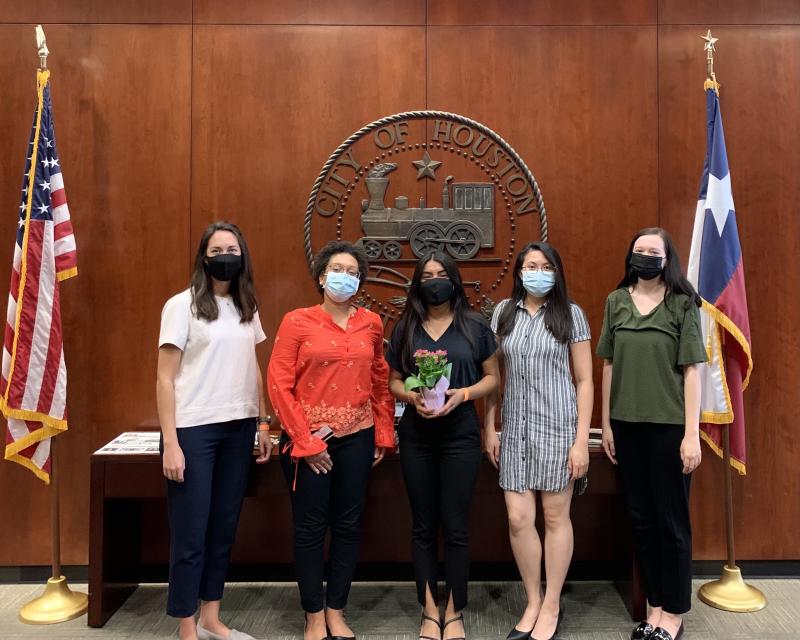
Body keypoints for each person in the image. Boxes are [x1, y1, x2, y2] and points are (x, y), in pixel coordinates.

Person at [267, 240, 395, 640]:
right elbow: (278, 383)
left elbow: (379, 379)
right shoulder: (297, 321)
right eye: (337, 269)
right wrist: (306, 442)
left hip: (357, 438)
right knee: (309, 528)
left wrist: (383, 432)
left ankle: (336, 609)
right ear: (322, 276)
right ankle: (313, 614)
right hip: (308, 444)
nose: (345, 277)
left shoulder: (371, 323)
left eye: (353, 272)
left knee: (348, 526)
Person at [157, 221, 272, 640]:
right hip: (193, 431)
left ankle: (211, 617)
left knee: (224, 527)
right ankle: (187, 627)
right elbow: (164, 379)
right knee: (191, 533)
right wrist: (170, 442)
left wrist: (262, 420)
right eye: (218, 248)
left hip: (238, 429)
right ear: (204, 257)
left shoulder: (247, 306)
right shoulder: (181, 306)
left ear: (243, 257)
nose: (227, 255)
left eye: (234, 249)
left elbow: (252, 367)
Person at [597, 227, 706, 640]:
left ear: (667, 259)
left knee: (671, 522)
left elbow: (692, 370)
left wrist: (691, 434)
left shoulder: (682, 303)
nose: (644, 256)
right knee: (641, 521)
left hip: (669, 429)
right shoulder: (615, 301)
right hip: (626, 427)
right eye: (638, 249)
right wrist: (606, 423)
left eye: (653, 251)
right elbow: (607, 365)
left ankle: (674, 615)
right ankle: (654, 608)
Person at [387, 251, 499, 640]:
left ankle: (455, 609)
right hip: (417, 436)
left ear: (453, 279)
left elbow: (492, 379)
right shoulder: (406, 328)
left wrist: (464, 394)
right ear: (417, 283)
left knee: (456, 526)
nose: (434, 280)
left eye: (441, 273)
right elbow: (394, 381)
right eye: (426, 274)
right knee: (422, 525)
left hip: (461, 436)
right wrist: (411, 397)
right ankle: (429, 609)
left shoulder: (474, 326)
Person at [484, 242, 593, 640]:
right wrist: (489, 426)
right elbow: (494, 378)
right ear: (518, 272)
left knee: (554, 516)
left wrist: (581, 441)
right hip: (515, 430)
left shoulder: (571, 314)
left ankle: (552, 604)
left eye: (546, 265)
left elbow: (584, 381)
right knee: (517, 518)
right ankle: (532, 599)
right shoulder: (503, 313)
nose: (538, 272)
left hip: (558, 429)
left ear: (557, 271)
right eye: (530, 265)